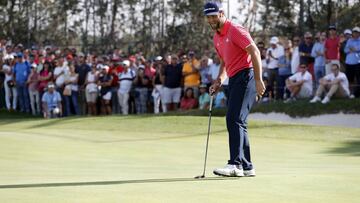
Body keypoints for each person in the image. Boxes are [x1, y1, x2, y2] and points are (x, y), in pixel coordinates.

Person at [205, 2, 265, 177]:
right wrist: (219, 81)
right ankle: (247, 166)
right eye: (208, 17)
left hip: (247, 75)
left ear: (222, 13)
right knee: (239, 121)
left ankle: (235, 164)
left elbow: (255, 51)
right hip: (234, 79)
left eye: (214, 16)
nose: (211, 20)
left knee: (233, 118)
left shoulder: (235, 30)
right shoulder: (217, 37)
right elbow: (225, 61)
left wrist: (259, 80)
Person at [344, 27, 360, 97]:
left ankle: (356, 93)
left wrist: (353, 49)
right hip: (348, 63)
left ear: (359, 33)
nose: (355, 33)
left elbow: (358, 49)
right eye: (354, 32)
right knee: (349, 79)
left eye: (357, 32)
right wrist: (354, 49)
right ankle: (350, 93)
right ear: (352, 33)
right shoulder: (349, 40)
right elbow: (345, 50)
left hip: (357, 62)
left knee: (358, 79)